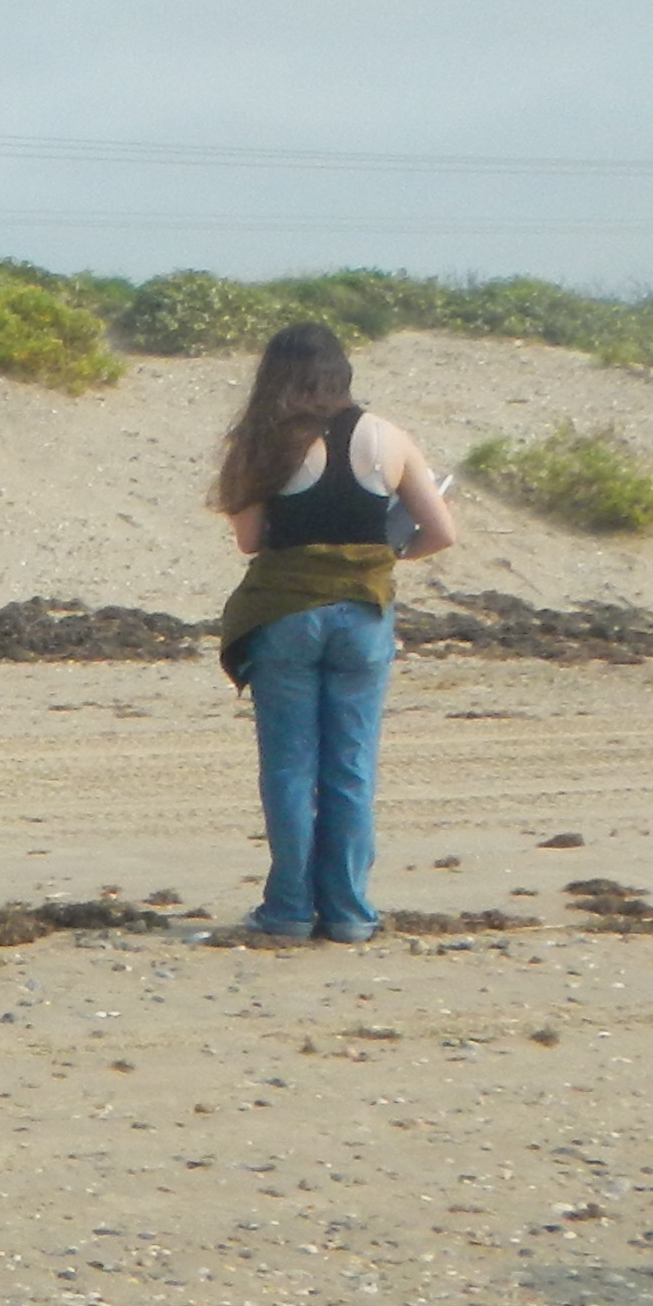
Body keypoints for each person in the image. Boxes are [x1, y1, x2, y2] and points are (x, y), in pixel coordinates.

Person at [209, 320, 455, 944]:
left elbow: (249, 541)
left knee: (290, 766)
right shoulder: (387, 436)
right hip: (363, 613)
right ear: (341, 371)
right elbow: (441, 533)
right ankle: (347, 912)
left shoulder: (262, 441)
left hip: (286, 612)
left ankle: (289, 910)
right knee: (351, 764)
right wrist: (390, 552)